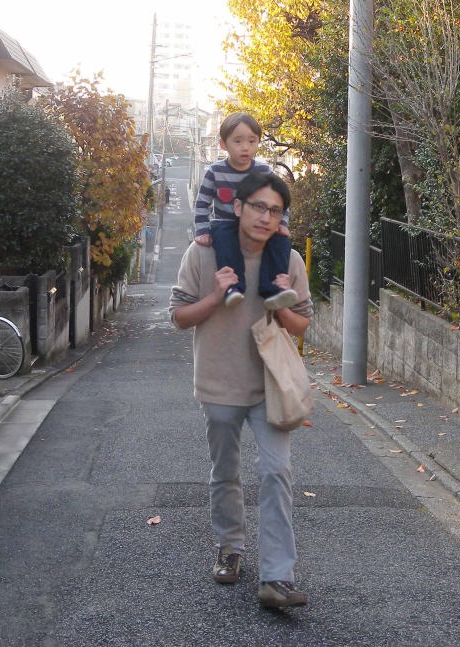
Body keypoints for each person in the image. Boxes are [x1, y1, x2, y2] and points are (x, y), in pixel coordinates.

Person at [170, 172, 313, 609]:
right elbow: (179, 317)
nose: (266, 217)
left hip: (270, 384)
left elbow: (302, 325)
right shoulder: (203, 253)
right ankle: (230, 547)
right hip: (218, 381)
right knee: (225, 471)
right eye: (258, 207)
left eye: (275, 211)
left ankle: (277, 576)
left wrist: (284, 304)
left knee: (276, 472)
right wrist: (216, 296)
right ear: (238, 207)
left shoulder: (288, 260)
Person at [193, 113, 298, 311]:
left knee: (281, 242)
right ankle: (233, 287)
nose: (245, 147)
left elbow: (280, 199)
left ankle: (273, 288)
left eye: (252, 141)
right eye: (238, 141)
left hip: (257, 224)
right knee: (225, 243)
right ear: (223, 144)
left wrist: (282, 224)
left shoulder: (263, 170)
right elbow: (202, 204)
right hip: (224, 223)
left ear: (258, 142)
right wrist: (203, 231)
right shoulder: (214, 171)